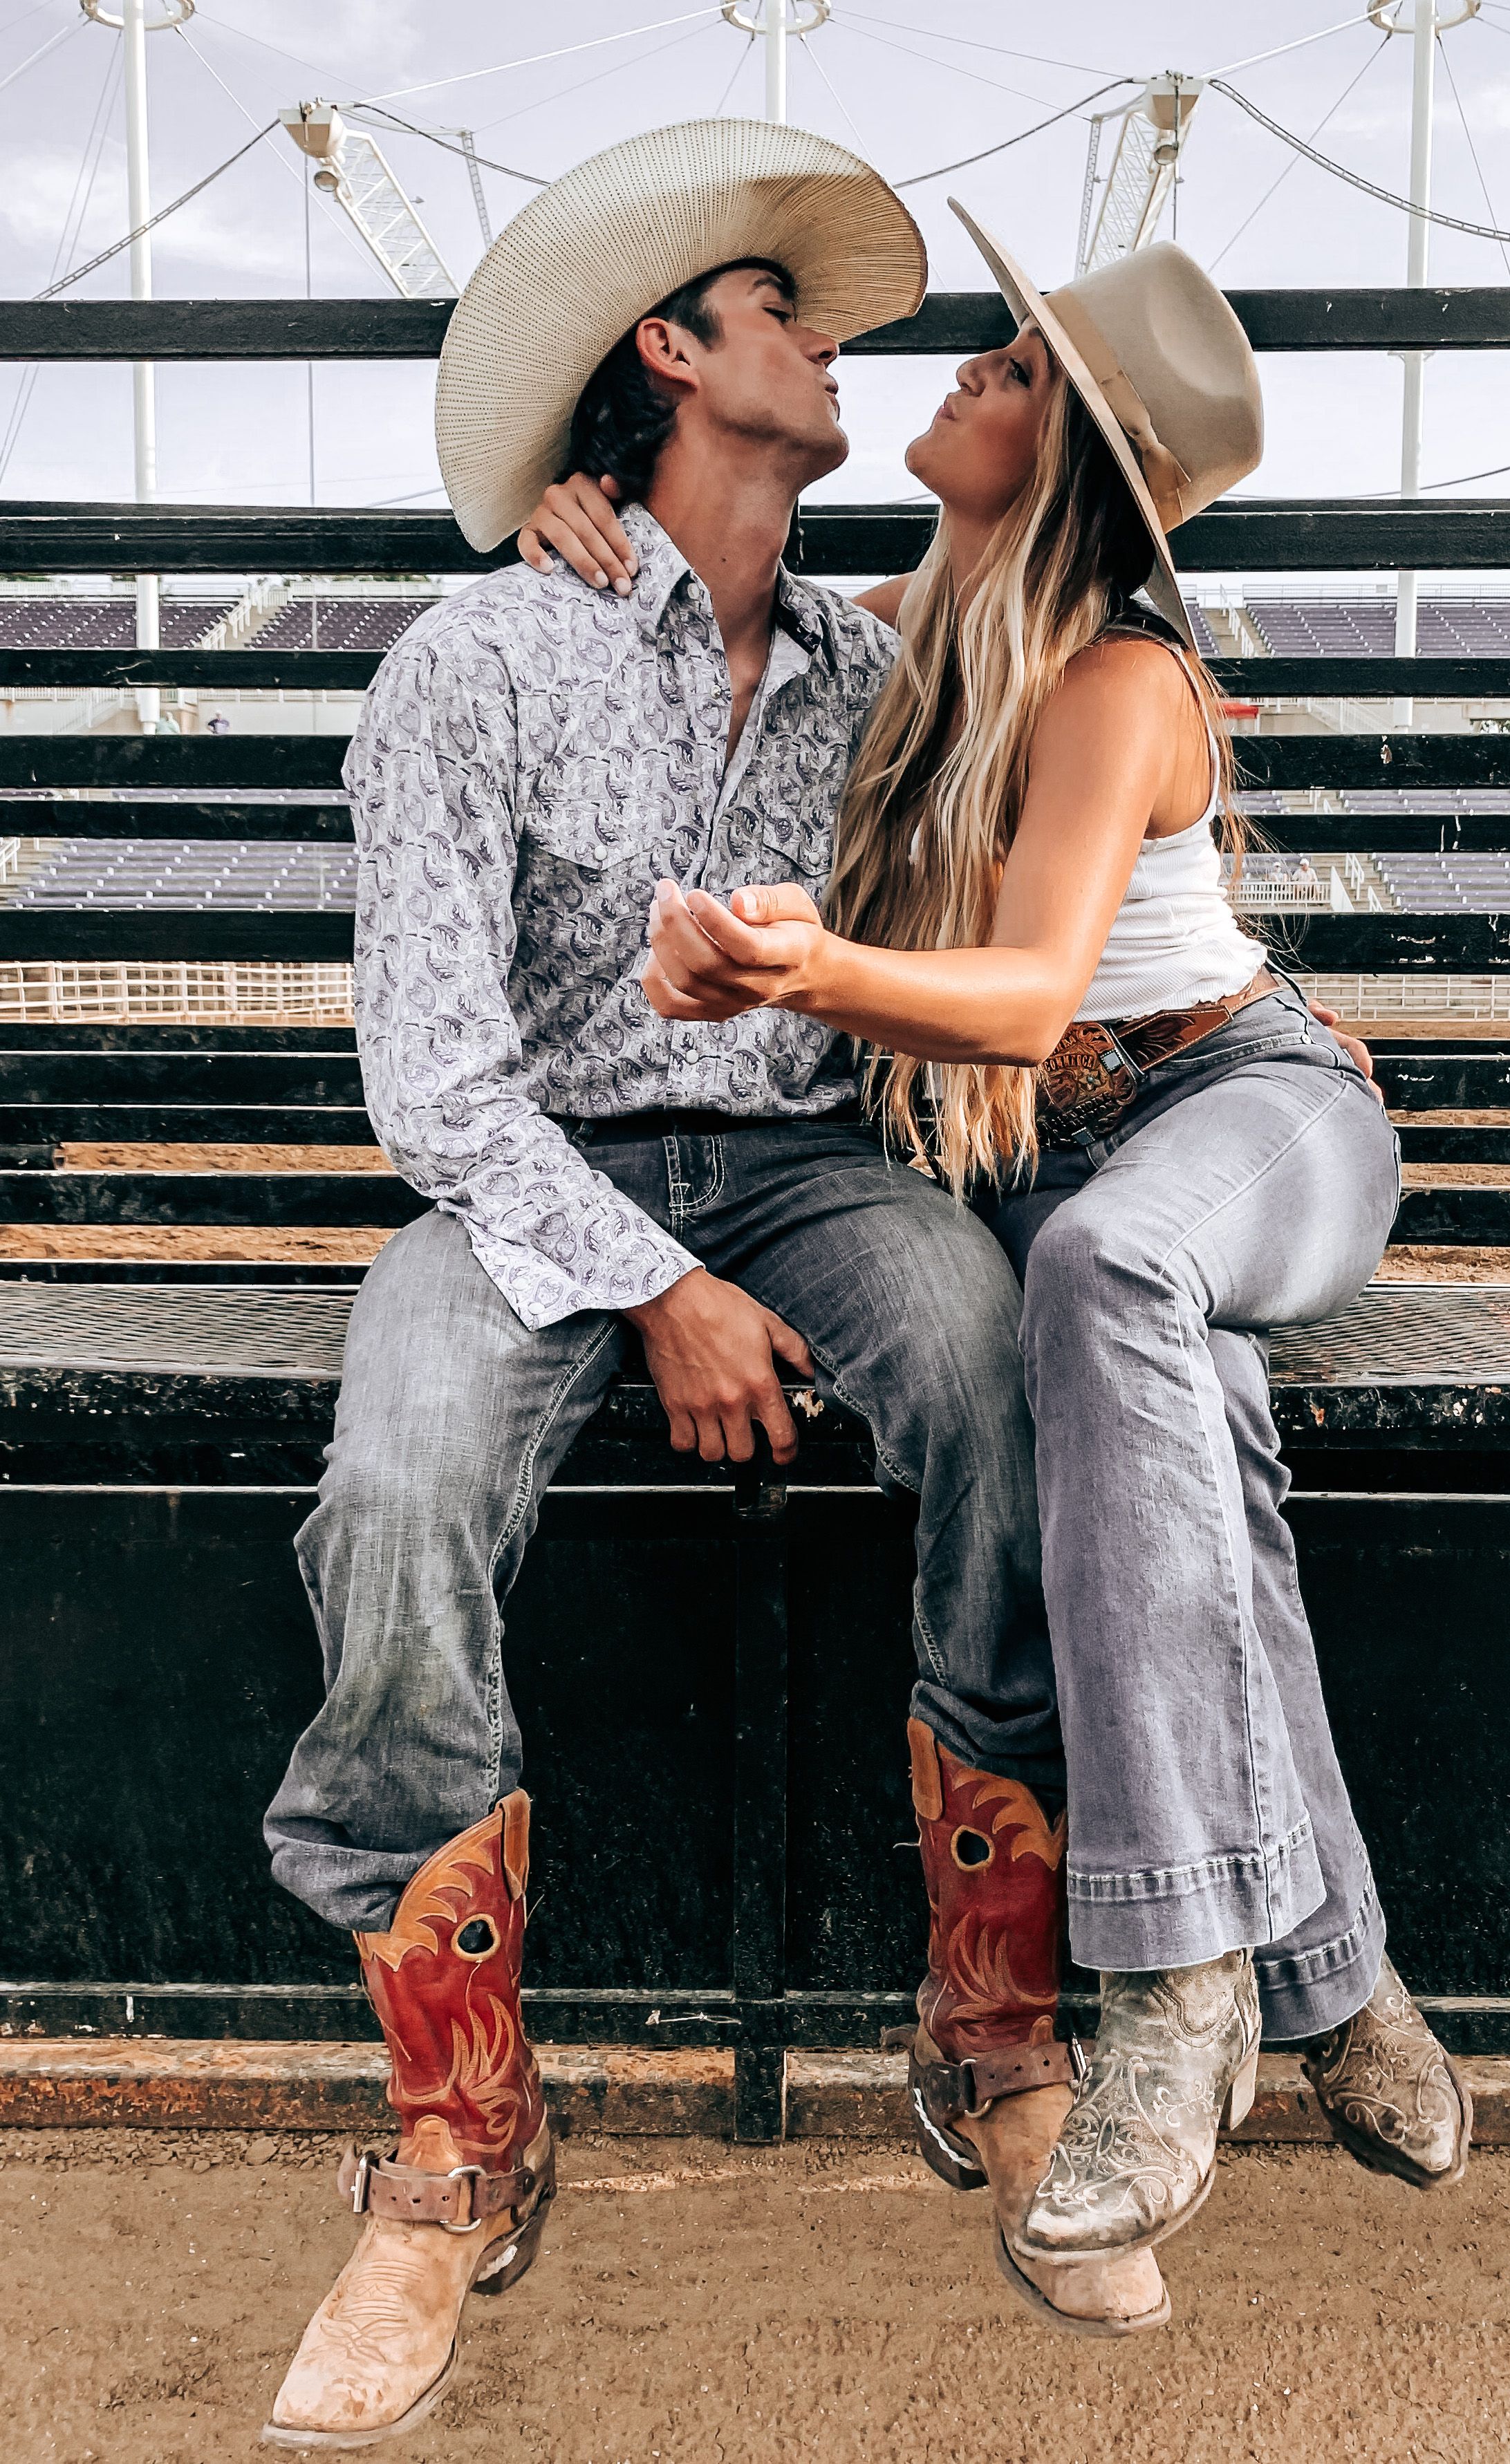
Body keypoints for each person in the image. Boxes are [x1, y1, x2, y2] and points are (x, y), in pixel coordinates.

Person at [261, 122, 1158, 2453]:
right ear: (668, 352)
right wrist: (654, 1282)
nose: (834, 336)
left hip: (808, 1171)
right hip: (530, 1190)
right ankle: (464, 2121)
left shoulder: (877, 663)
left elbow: (1063, 772)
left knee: (991, 1363)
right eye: (783, 307)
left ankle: (989, 2025)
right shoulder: (480, 656)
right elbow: (437, 1088)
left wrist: (1242, 1024)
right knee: (399, 1471)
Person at [553, 205, 1471, 2288]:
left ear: (1073, 452)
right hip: (1090, 1187)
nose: (968, 367)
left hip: (1245, 1107)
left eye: (1016, 366)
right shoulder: (921, 622)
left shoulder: (1124, 674)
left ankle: (1172, 1983)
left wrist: (807, 968)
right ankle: (1334, 1956)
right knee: (1177, 1393)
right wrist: (573, 499)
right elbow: (720, 590)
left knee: (1105, 1276)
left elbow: (1045, 992)